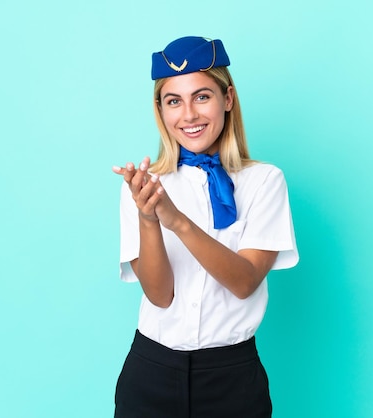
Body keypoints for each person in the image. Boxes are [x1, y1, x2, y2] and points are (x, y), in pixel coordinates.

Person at [111, 36, 299, 418]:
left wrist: (177, 221)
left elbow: (245, 281)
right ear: (160, 110)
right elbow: (161, 296)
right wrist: (149, 217)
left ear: (227, 99)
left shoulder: (264, 181)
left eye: (202, 96)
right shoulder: (144, 186)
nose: (189, 115)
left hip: (231, 379)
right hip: (150, 373)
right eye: (173, 101)